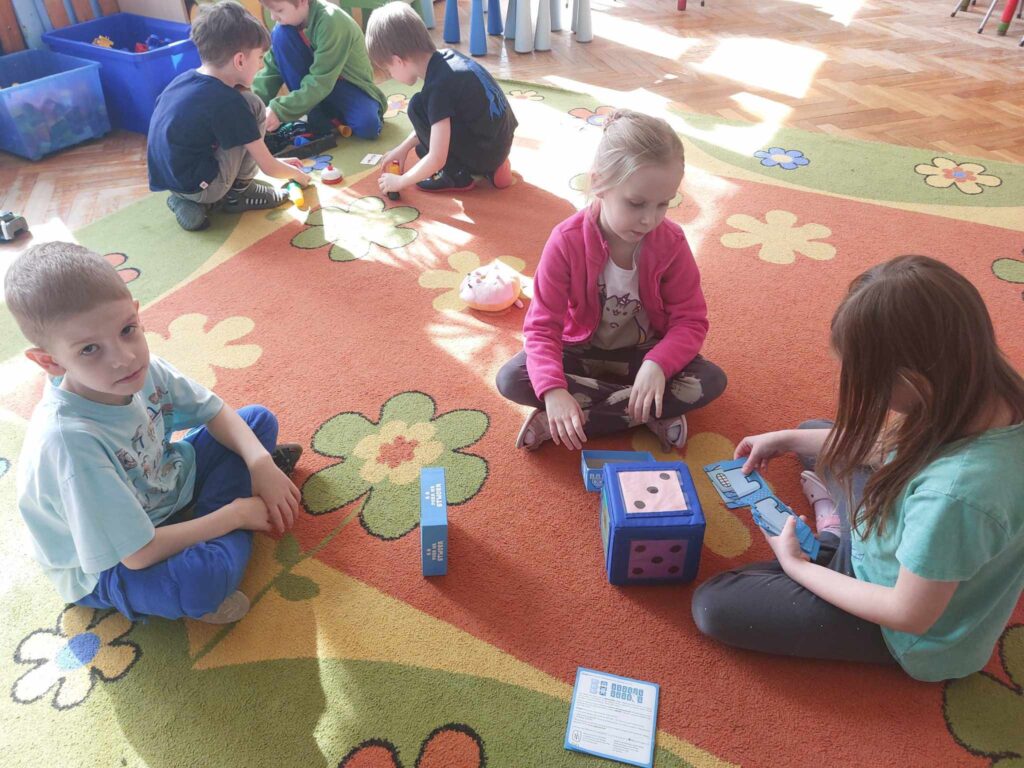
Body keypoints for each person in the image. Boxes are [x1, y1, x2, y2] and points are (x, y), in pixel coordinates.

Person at [692, 255, 1024, 681]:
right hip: (905, 532)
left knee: (714, 604)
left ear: (914, 382)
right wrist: (785, 438)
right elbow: (890, 447)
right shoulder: (980, 390)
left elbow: (907, 613)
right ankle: (836, 532)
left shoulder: (955, 496)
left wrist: (799, 568)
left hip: (901, 627)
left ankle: (831, 540)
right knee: (813, 433)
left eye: (869, 384)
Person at [6, 242, 304, 624]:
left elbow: (214, 411)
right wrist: (235, 515)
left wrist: (260, 464)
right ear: (49, 361)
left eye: (127, 330)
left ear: (136, 312)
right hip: (110, 562)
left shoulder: (139, 369)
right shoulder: (71, 444)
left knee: (257, 421)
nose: (124, 357)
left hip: (160, 487)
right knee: (202, 581)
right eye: (90, 349)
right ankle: (219, 538)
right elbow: (138, 554)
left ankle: (218, 521)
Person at [495, 109, 725, 451]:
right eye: (636, 203)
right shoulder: (566, 240)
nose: (649, 219)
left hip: (641, 355)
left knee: (710, 380)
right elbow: (542, 328)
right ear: (599, 183)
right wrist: (554, 390)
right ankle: (645, 410)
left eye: (663, 204)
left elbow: (690, 321)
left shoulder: (672, 243)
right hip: (580, 352)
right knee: (512, 379)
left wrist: (657, 365)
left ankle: (579, 416)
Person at [148, 0, 311, 232]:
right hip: (204, 186)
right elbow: (268, 168)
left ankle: (184, 200)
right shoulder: (230, 102)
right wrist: (299, 176)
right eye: (260, 58)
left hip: (173, 181)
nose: (260, 66)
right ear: (240, 60)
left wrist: (279, 162)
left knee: (238, 120)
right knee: (253, 105)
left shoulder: (182, 81)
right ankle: (239, 193)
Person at [365, 1, 517, 193]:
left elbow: (437, 158)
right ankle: (494, 167)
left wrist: (401, 181)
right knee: (422, 142)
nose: (391, 75)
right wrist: (403, 148)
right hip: (500, 142)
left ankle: (458, 176)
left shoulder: (438, 88)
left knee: (417, 109)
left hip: (485, 153)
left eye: (388, 70)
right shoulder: (448, 57)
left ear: (398, 61)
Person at [253, 0, 386, 140]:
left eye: (279, 10)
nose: (273, 17)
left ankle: (324, 117)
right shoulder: (286, 27)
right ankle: (318, 116)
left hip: (346, 85)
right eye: (270, 11)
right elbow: (271, 71)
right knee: (280, 34)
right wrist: (251, 104)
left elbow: (321, 80)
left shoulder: (332, 21)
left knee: (368, 126)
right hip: (315, 86)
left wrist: (279, 110)